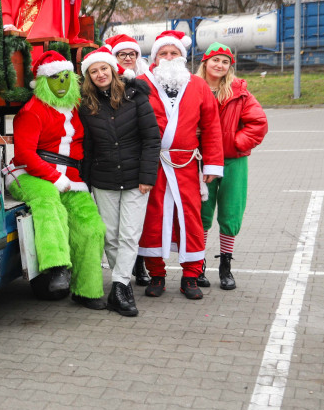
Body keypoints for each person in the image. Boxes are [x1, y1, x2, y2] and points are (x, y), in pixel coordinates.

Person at [4, 50, 107, 308]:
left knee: (91, 226)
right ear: (41, 82)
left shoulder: (78, 106)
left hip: (71, 177)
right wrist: (52, 176)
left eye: (65, 76)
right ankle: (57, 266)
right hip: (28, 174)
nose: (61, 83)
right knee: (48, 201)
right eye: (54, 78)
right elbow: (25, 154)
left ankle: (87, 290)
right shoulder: (32, 111)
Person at [137, 30, 224, 300]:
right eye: (162, 53)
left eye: (173, 52)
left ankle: (191, 276)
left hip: (186, 164)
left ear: (182, 57)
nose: (168, 57)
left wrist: (212, 165)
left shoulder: (197, 85)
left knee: (190, 217)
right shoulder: (141, 84)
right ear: (154, 58)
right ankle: (157, 274)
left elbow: (211, 126)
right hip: (153, 164)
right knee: (153, 218)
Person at [78, 47, 161, 317]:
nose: (100, 74)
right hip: (104, 179)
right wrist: (86, 181)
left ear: (113, 70)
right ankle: (121, 285)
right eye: (94, 71)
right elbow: (87, 146)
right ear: (88, 77)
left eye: (104, 68)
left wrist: (147, 176)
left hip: (136, 179)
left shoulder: (135, 96)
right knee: (111, 236)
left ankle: (120, 286)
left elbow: (152, 139)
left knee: (129, 234)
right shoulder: (86, 105)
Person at [195, 42, 268, 290]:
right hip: (202, 160)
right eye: (215, 60)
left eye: (225, 62)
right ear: (205, 62)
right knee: (202, 213)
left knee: (231, 212)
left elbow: (258, 123)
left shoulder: (239, 91)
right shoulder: (192, 88)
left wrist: (235, 143)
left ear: (230, 67)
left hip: (233, 161)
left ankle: (225, 266)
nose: (220, 65)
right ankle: (197, 265)